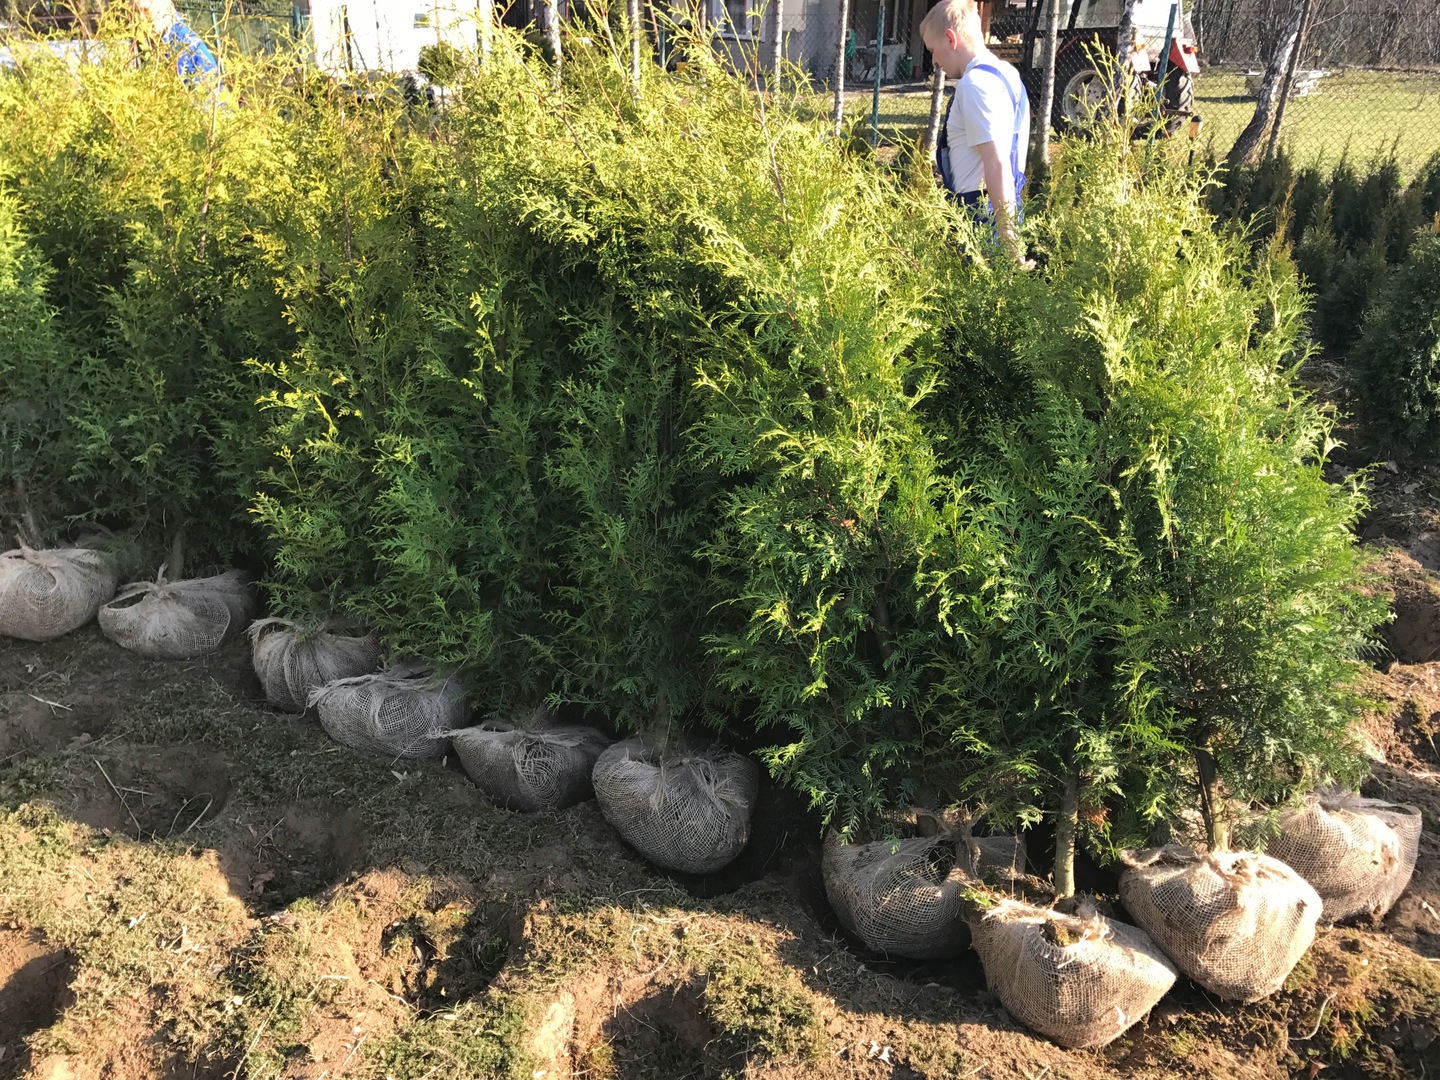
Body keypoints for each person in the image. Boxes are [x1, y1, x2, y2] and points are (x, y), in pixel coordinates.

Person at [920, 0, 1031, 268]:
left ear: (951, 39)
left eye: (933, 51)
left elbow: (996, 160)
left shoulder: (975, 85)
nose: (934, 61)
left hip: (982, 217)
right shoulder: (1008, 74)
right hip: (1004, 207)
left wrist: (1008, 239)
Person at [131, 0, 222, 91]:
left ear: (164, 5)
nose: (141, 19)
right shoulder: (149, 44)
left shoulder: (186, 46)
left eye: (146, 10)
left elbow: (206, 95)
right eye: (135, 12)